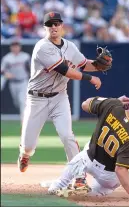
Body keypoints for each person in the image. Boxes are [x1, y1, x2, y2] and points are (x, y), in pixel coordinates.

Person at [18, 11, 112, 189]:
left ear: (62, 26)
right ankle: (24, 154)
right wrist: (90, 78)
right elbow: (65, 70)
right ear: (45, 27)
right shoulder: (42, 47)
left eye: (56, 23)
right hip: (37, 99)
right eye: (50, 24)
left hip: (59, 97)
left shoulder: (70, 46)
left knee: (67, 136)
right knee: (29, 145)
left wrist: (99, 66)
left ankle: (79, 177)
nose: (53, 27)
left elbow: (83, 64)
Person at [46, 95, 129, 200]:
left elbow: (85, 104)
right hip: (108, 178)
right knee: (94, 194)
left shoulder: (112, 105)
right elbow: (120, 169)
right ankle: (90, 193)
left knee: (87, 148)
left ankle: (59, 185)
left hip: (88, 160)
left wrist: (112, 100)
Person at [1, 41, 30, 121]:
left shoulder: (25, 56)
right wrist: (6, 74)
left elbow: (30, 68)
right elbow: (2, 70)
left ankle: (24, 123)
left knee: (22, 102)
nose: (15, 48)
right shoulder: (7, 58)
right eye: (13, 46)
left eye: (17, 46)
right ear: (11, 47)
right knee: (16, 102)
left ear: (20, 47)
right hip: (13, 83)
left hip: (23, 82)